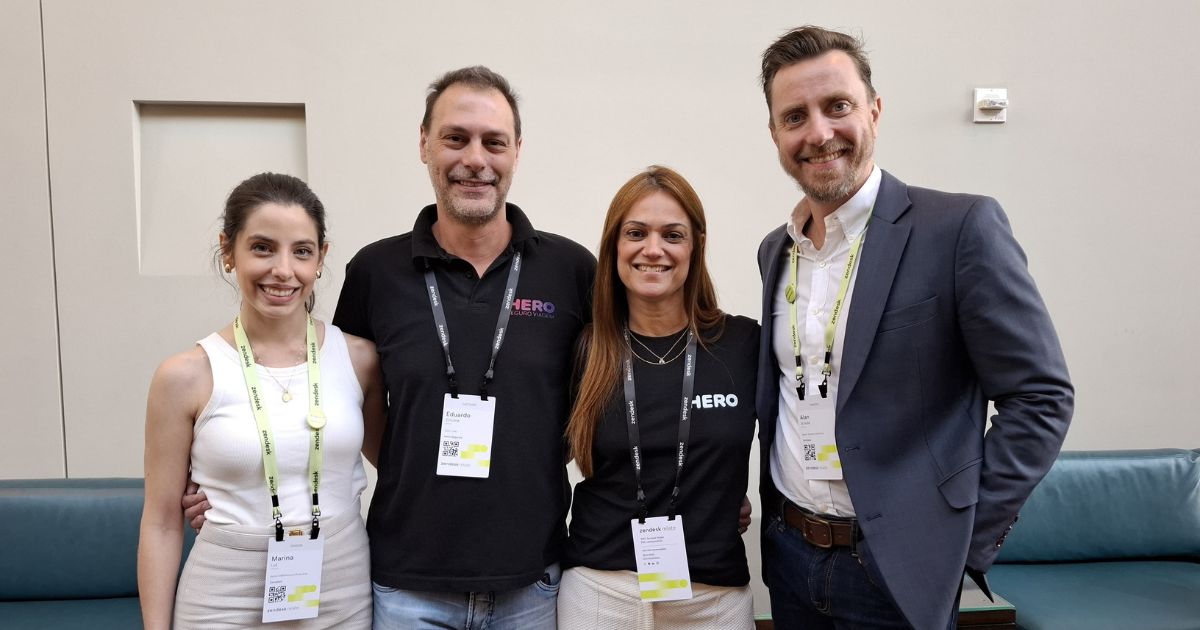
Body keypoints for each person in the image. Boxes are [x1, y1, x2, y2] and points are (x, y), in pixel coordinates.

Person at [753, 26, 1074, 629]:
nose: (819, 133)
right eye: (795, 116)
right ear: (774, 134)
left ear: (874, 110)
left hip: (897, 571)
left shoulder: (958, 229)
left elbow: (1041, 397)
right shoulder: (777, 251)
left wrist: (958, 541)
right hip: (791, 555)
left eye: (837, 106)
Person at [331, 67, 596, 628]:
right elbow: (346, 407)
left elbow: (599, 400)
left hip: (533, 579)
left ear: (516, 152)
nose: (475, 159)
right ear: (424, 143)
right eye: (456, 138)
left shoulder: (571, 271)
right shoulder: (374, 272)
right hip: (406, 584)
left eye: (493, 142)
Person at [138, 172, 385, 629]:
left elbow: (400, 468)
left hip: (341, 590)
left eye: (302, 251)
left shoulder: (359, 359)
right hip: (222, 597)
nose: (283, 270)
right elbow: (161, 522)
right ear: (228, 252)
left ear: (321, 258)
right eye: (262, 247)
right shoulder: (185, 376)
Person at [560, 165, 758, 629]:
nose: (653, 249)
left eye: (672, 234)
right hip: (598, 591)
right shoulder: (584, 348)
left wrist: (731, 490)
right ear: (614, 247)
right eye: (636, 233)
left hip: (714, 599)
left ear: (695, 247)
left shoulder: (743, 344)